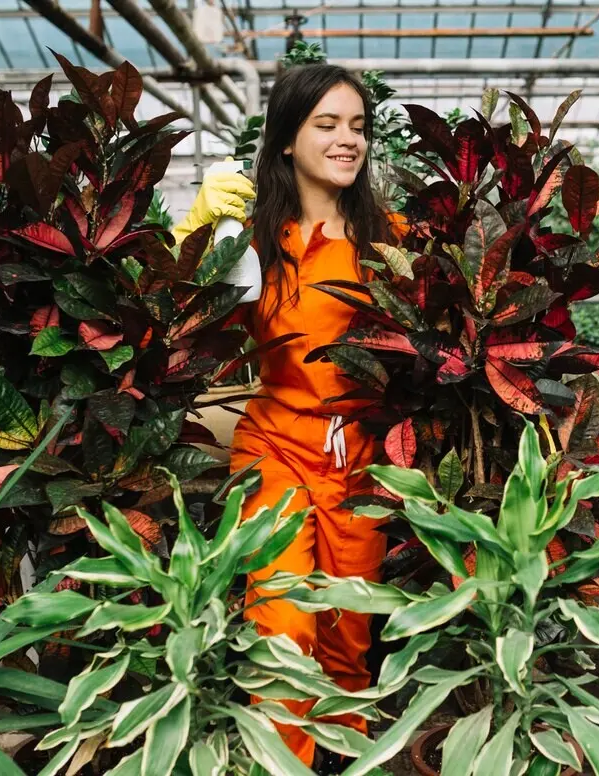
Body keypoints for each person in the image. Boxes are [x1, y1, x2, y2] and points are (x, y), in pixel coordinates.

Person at [172, 63, 401, 769]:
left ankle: (346, 756)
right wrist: (195, 226)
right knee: (281, 625)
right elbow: (173, 323)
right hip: (277, 447)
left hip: (359, 457)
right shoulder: (251, 239)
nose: (347, 140)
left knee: (348, 638)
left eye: (357, 127)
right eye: (326, 125)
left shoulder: (386, 238)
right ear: (284, 141)